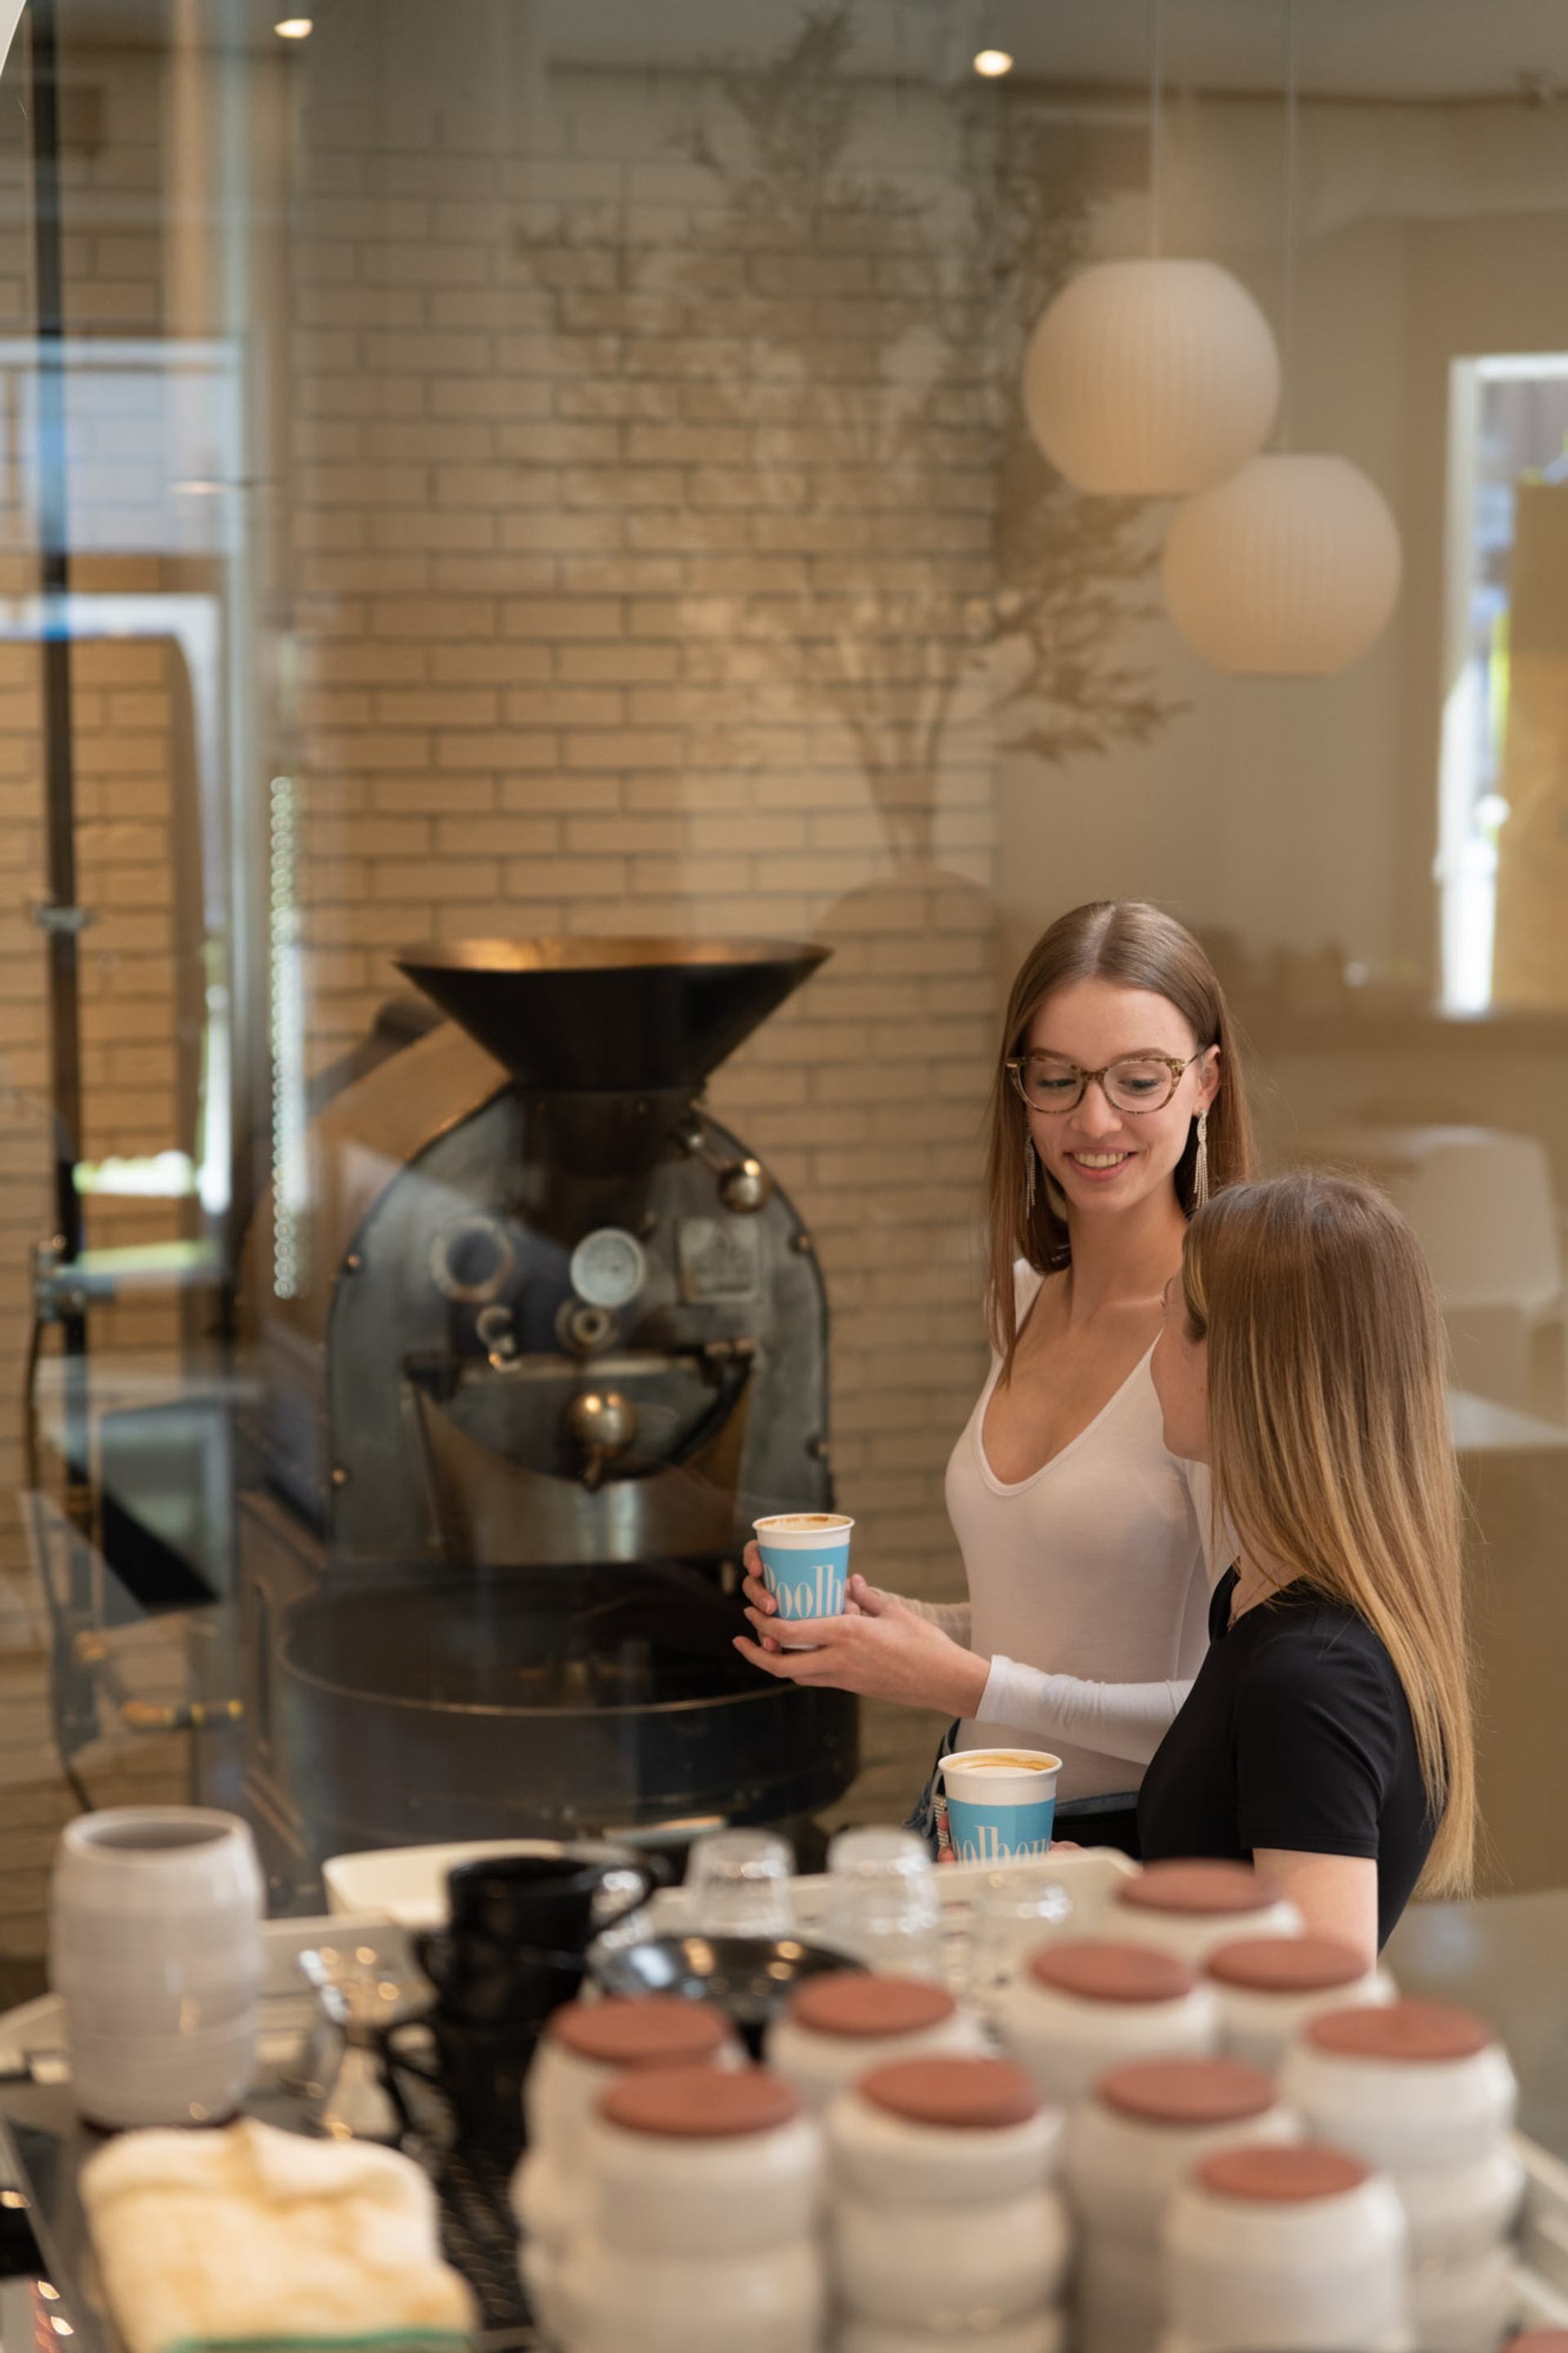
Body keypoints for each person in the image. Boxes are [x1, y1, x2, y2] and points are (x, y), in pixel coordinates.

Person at [733, 899, 1254, 1856]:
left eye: (1139, 1079)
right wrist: (885, 1629)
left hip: (1125, 1850)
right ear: (1022, 1090)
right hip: (972, 1830)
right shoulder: (1018, 1299)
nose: (1093, 1119)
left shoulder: (1220, 1338)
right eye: (1057, 1079)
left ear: (1206, 1083)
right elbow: (1057, 1622)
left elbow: (1246, 1707)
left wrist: (958, 1680)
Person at [1139, 1171, 1476, 1959]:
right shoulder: (1253, 1596)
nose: (1151, 1358)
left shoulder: (1311, 1680)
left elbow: (1312, 2005)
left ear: (1235, 1364)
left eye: (1168, 1318)